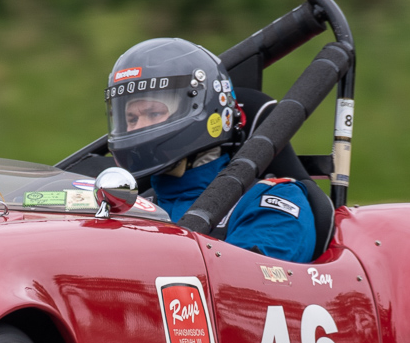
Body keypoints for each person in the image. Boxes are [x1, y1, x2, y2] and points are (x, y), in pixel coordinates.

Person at [103, 36, 319, 262]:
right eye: (131, 118)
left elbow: (245, 289)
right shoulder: (134, 208)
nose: (139, 128)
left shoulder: (270, 201)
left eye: (154, 113)